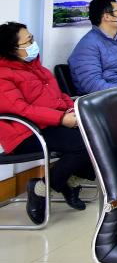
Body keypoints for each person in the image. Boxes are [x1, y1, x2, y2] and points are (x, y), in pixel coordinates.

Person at [0, 22, 94, 223]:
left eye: (32, 38)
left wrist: (72, 109)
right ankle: (40, 190)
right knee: (82, 144)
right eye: (28, 41)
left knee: (98, 135)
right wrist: (61, 118)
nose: (34, 44)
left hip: (49, 124)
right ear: (12, 49)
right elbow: (22, 110)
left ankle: (70, 182)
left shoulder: (36, 68)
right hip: (25, 133)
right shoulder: (3, 75)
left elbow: (59, 96)